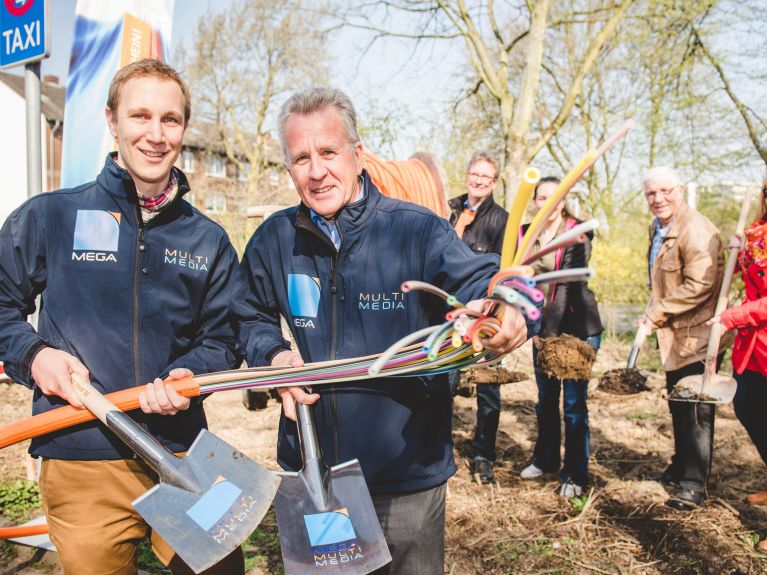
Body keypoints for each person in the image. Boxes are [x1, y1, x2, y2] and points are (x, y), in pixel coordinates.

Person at [231, 87, 528, 575]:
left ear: (357, 154)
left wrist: (503, 309)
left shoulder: (416, 230)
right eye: (301, 158)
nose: (317, 170)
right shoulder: (273, 240)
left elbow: (484, 282)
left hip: (406, 472)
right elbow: (247, 315)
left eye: (328, 152)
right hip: (315, 471)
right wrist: (273, 356)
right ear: (288, 168)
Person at [0, 59, 243, 574]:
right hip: (80, 451)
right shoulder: (52, 216)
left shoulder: (208, 239)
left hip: (180, 450)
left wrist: (190, 375)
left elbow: (223, 337)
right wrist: (33, 354)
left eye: (170, 120)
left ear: (183, 128)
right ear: (112, 121)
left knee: (221, 568)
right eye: (140, 116)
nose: (155, 135)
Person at [639, 166, 726, 511]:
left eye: (665, 191)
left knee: (695, 413)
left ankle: (694, 483)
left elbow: (700, 285)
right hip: (673, 335)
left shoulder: (696, 229)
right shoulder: (658, 227)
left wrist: (657, 312)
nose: (658, 199)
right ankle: (681, 465)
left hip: (698, 335)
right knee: (678, 403)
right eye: (650, 193)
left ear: (681, 190)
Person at [518, 177, 603, 497]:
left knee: (574, 405)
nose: (547, 203)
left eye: (554, 197)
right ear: (535, 202)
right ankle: (546, 459)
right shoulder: (525, 233)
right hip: (541, 329)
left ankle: (576, 475)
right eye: (541, 198)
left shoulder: (577, 233)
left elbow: (565, 286)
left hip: (576, 330)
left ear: (564, 200)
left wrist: (545, 334)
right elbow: (520, 281)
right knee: (545, 401)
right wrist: (533, 329)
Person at [709, 177, 767, 551]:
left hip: (755, 326)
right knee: (747, 407)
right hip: (755, 346)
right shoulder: (757, 231)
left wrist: (733, 316)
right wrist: (741, 249)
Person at [448, 151, 509, 484]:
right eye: (475, 174)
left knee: (487, 387)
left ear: (494, 182)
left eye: (486, 177)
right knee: (443, 381)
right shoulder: (450, 209)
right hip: (448, 313)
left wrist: (489, 310)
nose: (479, 181)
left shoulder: (502, 220)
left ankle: (483, 456)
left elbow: (503, 271)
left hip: (484, 314)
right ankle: (440, 449)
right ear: (468, 175)